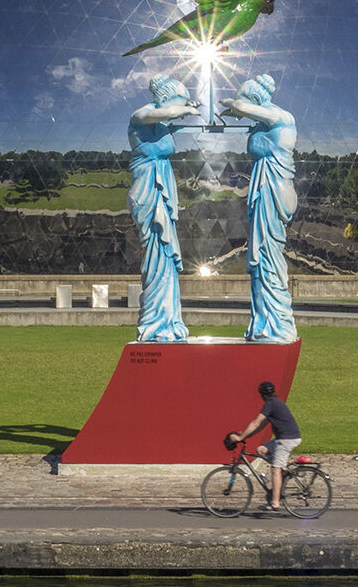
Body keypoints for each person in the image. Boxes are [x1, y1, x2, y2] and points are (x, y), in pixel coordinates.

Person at [219, 74, 298, 342]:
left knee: (267, 254)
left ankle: (274, 324)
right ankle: (265, 321)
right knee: (264, 256)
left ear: (255, 100)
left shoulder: (281, 117)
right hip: (267, 190)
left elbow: (242, 109)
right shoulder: (268, 121)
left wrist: (231, 103)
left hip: (273, 191)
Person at [127, 74, 200, 342]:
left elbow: (167, 117)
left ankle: (168, 320)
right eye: (175, 105)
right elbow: (163, 113)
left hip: (162, 190)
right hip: (147, 191)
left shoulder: (162, 124)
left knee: (165, 257)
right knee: (156, 252)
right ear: (166, 100)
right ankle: (154, 322)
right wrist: (184, 110)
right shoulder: (141, 115)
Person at [228, 381, 301, 511]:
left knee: (275, 469)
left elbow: (256, 423)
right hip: (284, 438)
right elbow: (261, 426)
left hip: (286, 439)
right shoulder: (274, 403)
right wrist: (245, 435)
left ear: (262, 394)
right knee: (261, 450)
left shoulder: (271, 404)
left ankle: (275, 502)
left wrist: (240, 438)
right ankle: (282, 472)